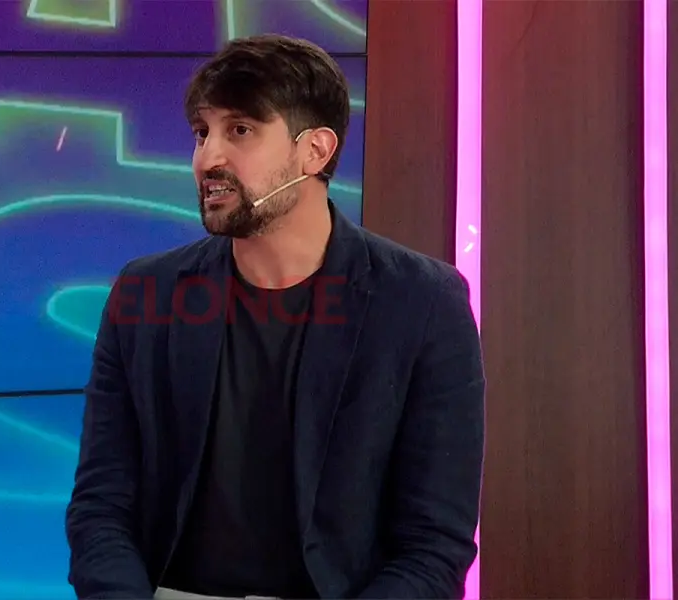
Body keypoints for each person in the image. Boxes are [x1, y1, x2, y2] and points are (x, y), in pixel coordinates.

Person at [65, 34, 485, 600]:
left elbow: (433, 545)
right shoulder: (145, 294)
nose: (208, 158)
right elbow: (101, 507)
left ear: (314, 151)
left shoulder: (422, 303)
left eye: (240, 130)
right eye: (202, 132)